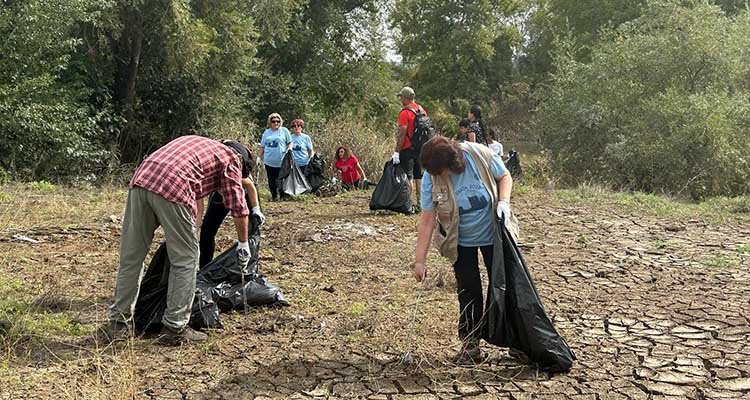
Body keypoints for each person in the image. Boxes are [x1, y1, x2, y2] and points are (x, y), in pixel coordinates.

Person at [108, 135, 252, 346]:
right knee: (186, 260)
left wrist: (189, 232)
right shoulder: (231, 158)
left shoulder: (199, 145)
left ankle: (118, 324)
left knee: (132, 256)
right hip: (173, 185)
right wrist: (243, 244)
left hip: (141, 180)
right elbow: (238, 208)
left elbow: (196, 200)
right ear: (242, 161)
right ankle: (175, 328)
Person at [412, 136, 513, 365]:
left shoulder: (479, 154)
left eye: (442, 172)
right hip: (459, 240)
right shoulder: (431, 176)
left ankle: (516, 341)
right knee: (469, 291)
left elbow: (504, 176)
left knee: (504, 286)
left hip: (493, 233)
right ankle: (471, 343)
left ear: (453, 163)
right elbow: (428, 219)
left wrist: (504, 202)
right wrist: (419, 261)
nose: (439, 177)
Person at [198, 140, 265, 269]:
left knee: (252, 229)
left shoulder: (234, 175)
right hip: (220, 194)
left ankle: (249, 267)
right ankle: (204, 268)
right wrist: (194, 229)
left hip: (245, 194)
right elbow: (199, 204)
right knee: (207, 231)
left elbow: (250, 187)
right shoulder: (211, 175)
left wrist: (256, 209)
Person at [392, 86, 427, 211]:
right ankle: (421, 204)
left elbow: (402, 133)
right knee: (419, 176)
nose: (400, 99)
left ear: (405, 98)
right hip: (421, 148)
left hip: (407, 148)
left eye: (401, 97)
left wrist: (397, 151)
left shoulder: (404, 113)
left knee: (408, 176)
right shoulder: (421, 110)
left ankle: (409, 204)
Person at [259, 113, 293, 201]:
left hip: (281, 160)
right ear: (270, 122)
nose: (276, 123)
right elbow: (262, 146)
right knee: (271, 180)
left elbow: (290, 142)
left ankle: (283, 195)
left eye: (278, 121)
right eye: (273, 121)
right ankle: (274, 195)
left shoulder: (284, 131)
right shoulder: (266, 132)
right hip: (269, 160)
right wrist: (259, 157)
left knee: (281, 179)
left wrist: (289, 149)